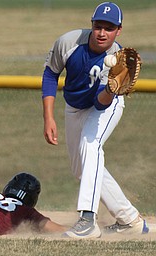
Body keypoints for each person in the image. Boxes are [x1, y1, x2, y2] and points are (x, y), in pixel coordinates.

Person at [41, 2, 149, 239]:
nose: (102, 32)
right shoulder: (69, 42)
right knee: (81, 168)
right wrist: (48, 117)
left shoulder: (116, 60)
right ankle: (130, 220)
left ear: (118, 30)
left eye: (109, 28)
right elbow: (50, 73)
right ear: (92, 25)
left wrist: (111, 89)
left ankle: (87, 220)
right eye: (98, 26)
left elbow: (101, 104)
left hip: (106, 106)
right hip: (74, 106)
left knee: (91, 147)